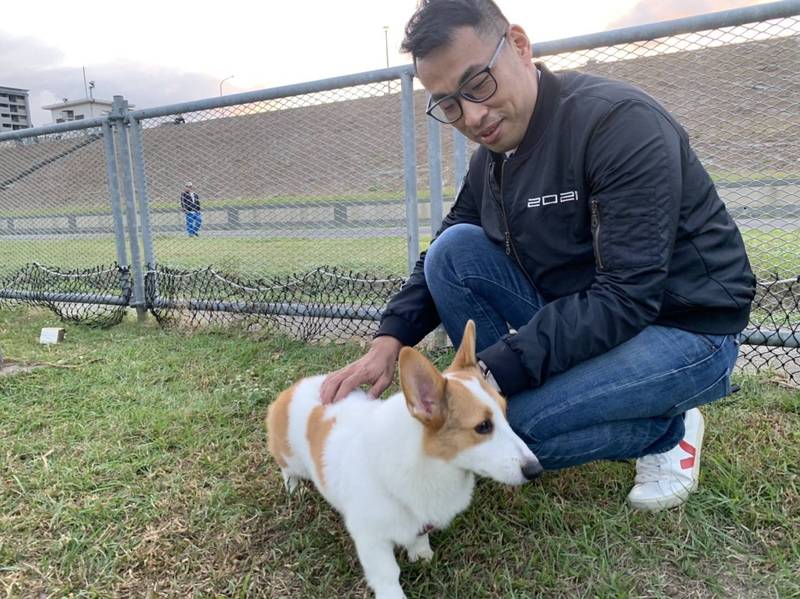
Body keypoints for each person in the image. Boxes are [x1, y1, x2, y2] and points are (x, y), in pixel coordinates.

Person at [321, 0, 755, 511]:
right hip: (588, 316)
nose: (472, 115)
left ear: (520, 46)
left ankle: (669, 430)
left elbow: (628, 296)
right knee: (452, 254)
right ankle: (587, 395)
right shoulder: (493, 157)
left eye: (478, 83)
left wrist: (491, 372)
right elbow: (449, 240)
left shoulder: (619, 124)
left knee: (509, 429)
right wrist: (389, 340)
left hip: (684, 329)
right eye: (450, 104)